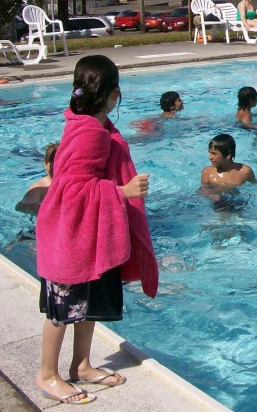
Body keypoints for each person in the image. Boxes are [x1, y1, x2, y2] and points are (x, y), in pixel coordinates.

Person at [35, 55, 158, 405]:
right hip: (68, 234)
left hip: (85, 233)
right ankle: (47, 375)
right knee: (61, 311)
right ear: (114, 94)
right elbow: (71, 190)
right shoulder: (90, 132)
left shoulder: (90, 122)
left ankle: (82, 365)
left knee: (84, 305)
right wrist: (123, 192)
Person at [15, 142, 59, 216]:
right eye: (52, 168)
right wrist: (36, 209)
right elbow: (19, 207)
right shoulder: (39, 188)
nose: (57, 171)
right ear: (45, 165)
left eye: (61, 167)